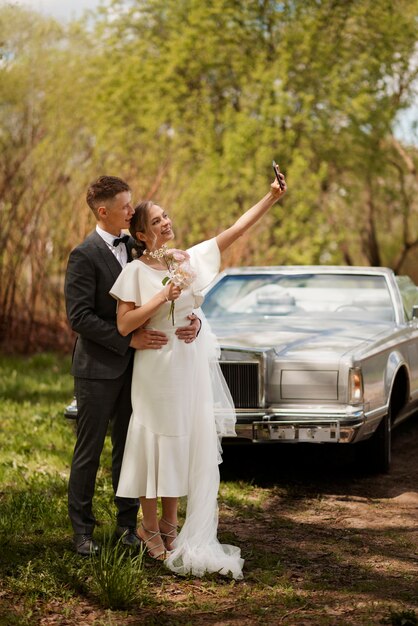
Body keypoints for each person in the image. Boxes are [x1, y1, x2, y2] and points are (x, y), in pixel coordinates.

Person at [109, 169, 287, 579]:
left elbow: (235, 231)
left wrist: (272, 197)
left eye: (166, 216)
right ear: (141, 233)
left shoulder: (188, 260)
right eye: (156, 221)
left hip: (187, 363)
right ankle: (149, 527)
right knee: (155, 439)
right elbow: (123, 324)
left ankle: (173, 527)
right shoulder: (136, 271)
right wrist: (162, 295)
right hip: (155, 363)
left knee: (182, 440)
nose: (166, 223)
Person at [64, 175, 200, 556]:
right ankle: (83, 532)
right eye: (125, 206)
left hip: (139, 370)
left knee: (130, 447)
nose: (131, 210)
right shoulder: (84, 254)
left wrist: (193, 321)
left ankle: (130, 526)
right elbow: (79, 317)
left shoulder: (136, 247)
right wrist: (127, 339)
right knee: (89, 451)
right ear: (103, 211)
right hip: (97, 369)